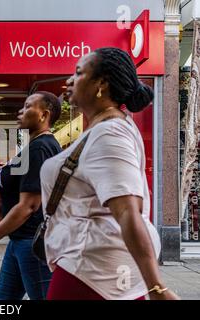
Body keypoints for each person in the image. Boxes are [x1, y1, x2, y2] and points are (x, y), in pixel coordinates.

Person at [40, 47, 180, 300]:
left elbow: (128, 210)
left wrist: (157, 288)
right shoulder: (105, 129)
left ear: (101, 84)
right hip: (96, 268)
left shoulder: (109, 134)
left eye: (79, 72)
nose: (69, 80)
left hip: (90, 272)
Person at [0, 91, 62, 300]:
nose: (21, 112)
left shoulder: (40, 148)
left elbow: (28, 206)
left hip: (32, 245)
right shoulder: (34, 147)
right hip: (18, 242)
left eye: (28, 107)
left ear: (44, 115)